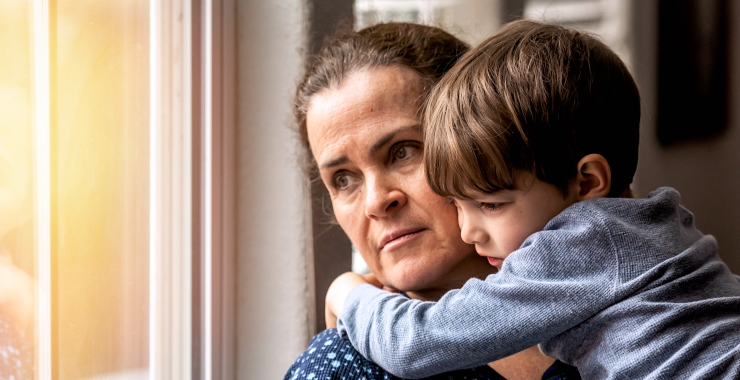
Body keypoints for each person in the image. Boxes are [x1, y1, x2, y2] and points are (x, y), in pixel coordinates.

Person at [327, 20, 740, 379]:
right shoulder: (662, 217)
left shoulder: (580, 246)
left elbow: (415, 343)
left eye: (491, 205)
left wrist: (348, 295)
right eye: (458, 202)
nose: (470, 231)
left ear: (587, 181)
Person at [284, 22, 581, 380]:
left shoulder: (620, 294)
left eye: (403, 152)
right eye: (343, 179)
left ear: (480, 140)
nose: (376, 202)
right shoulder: (342, 367)